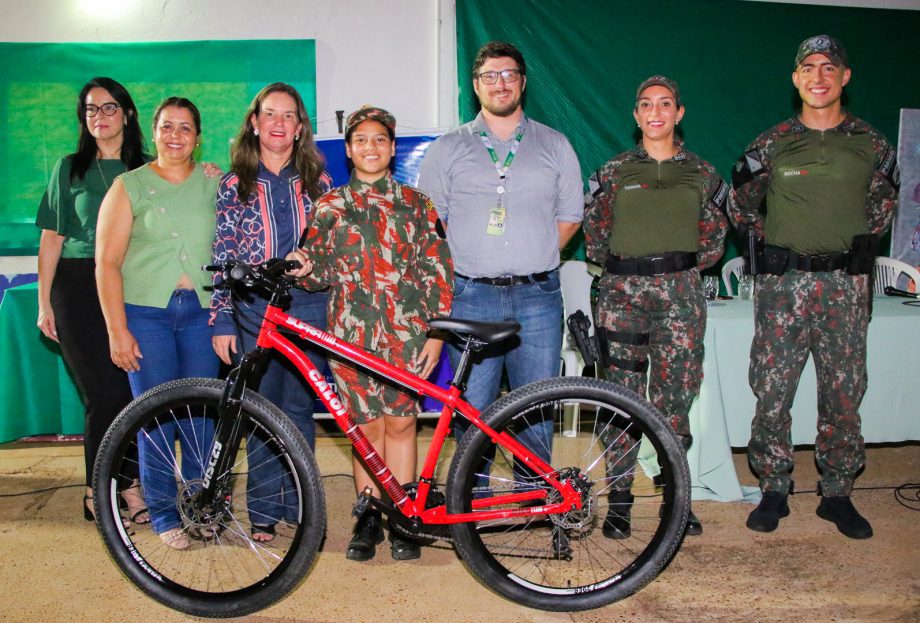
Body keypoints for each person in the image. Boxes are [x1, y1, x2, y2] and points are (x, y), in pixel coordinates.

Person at [728, 35, 898, 539]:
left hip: (846, 285)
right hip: (783, 287)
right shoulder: (771, 142)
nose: (818, 77)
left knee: (844, 391)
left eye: (829, 67)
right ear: (796, 78)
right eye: (808, 68)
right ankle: (774, 487)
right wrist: (775, 248)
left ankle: (838, 492)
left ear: (845, 76)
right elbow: (741, 204)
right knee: (773, 389)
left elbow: (882, 206)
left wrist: (844, 248)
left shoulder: (872, 143)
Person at [293, 105, 452, 562]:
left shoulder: (417, 205)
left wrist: (437, 335)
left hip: (408, 337)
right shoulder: (329, 207)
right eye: (361, 139)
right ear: (348, 149)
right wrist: (302, 267)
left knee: (402, 423)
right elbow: (316, 270)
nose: (371, 147)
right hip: (350, 338)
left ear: (392, 147)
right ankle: (368, 517)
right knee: (366, 428)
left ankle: (404, 516)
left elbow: (439, 273)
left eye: (380, 139)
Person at [416, 41, 582, 462]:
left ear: (523, 83)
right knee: (471, 408)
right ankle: (473, 503)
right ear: (476, 86)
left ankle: (533, 502)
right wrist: (478, 255)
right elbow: (433, 222)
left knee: (536, 408)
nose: (500, 83)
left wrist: (533, 255)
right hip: (471, 297)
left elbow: (570, 217)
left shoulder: (555, 144)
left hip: (538, 296)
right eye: (490, 76)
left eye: (509, 74)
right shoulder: (448, 148)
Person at [584, 75, 728, 538]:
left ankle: (675, 501)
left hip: (681, 296)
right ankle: (619, 502)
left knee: (675, 401)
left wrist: (675, 268)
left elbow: (715, 238)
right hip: (622, 294)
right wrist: (630, 269)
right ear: (636, 115)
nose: (655, 112)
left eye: (665, 104)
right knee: (621, 401)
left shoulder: (704, 174)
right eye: (646, 104)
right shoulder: (613, 172)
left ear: (679, 113)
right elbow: (595, 235)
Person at [96, 96, 221, 549]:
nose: (175, 136)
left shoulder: (215, 183)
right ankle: (165, 514)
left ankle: (200, 506)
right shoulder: (128, 186)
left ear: (197, 137)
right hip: (146, 315)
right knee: (154, 418)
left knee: (201, 418)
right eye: (167, 126)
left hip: (202, 315)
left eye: (185, 128)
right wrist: (116, 328)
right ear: (153, 132)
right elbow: (107, 263)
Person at [211, 83, 332, 543]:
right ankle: (263, 513)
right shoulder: (232, 183)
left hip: (308, 307)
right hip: (253, 310)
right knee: (259, 410)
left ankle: (303, 510)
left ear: (300, 128)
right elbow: (222, 251)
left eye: (288, 116)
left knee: (300, 409)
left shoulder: (319, 182)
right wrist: (221, 318)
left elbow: (330, 245)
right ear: (255, 123)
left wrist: (314, 261)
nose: (279, 123)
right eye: (270, 114)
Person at [34, 77, 150, 525]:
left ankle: (132, 484)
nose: (98, 117)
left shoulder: (147, 168)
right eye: (90, 110)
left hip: (131, 285)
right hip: (77, 285)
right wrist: (45, 303)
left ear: (128, 113)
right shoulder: (69, 168)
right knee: (103, 394)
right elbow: (51, 239)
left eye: (108, 108)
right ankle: (98, 489)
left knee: (131, 391)